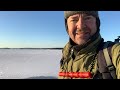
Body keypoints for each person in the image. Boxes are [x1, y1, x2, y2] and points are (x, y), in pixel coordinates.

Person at [58, 11, 120, 79]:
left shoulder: (113, 53)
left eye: (87, 18)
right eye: (74, 20)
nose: (81, 26)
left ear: (97, 23)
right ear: (67, 25)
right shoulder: (66, 55)